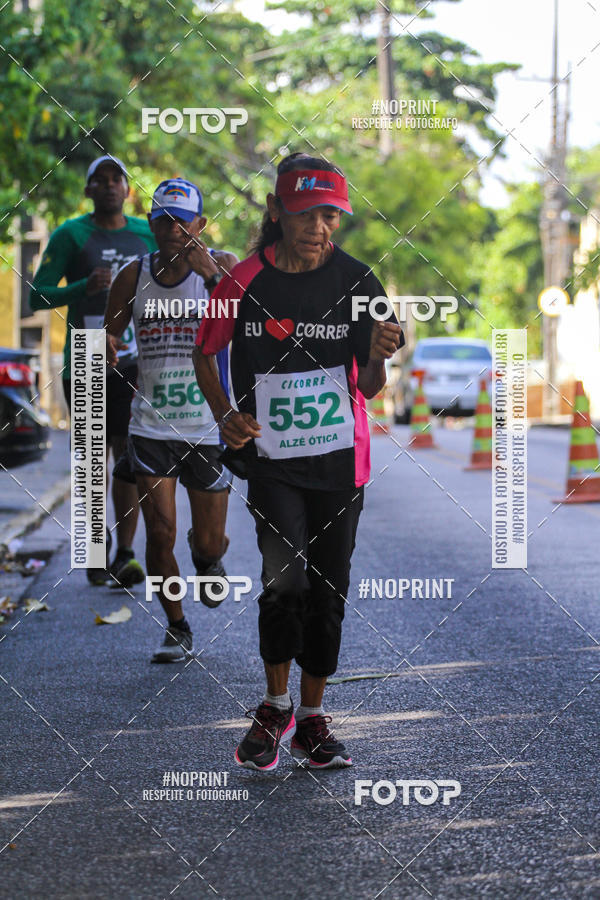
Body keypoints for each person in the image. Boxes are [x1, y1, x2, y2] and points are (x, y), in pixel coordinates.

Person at [193, 152, 404, 770]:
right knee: (285, 580)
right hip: (272, 459)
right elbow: (207, 352)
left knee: (329, 586)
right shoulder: (243, 282)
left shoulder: (359, 281)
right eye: (309, 214)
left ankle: (311, 718)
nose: (322, 228)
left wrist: (381, 353)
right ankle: (275, 702)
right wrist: (225, 413)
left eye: (331, 215)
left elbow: (368, 386)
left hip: (341, 461)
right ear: (278, 211)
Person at [105, 178, 237, 663]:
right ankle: (177, 625)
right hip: (150, 425)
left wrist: (212, 277)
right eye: (164, 218)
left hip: (206, 425)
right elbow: (109, 336)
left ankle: (208, 559)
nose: (174, 228)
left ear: (200, 224)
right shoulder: (131, 275)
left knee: (207, 540)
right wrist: (108, 350)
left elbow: (254, 321)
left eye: (184, 220)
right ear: (151, 223)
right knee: (159, 535)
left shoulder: (223, 267)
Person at [29, 155, 153, 587]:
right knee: (89, 462)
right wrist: (84, 288)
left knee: (129, 456)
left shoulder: (147, 232)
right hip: (85, 354)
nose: (108, 186)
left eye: (116, 178)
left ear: (127, 189)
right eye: (97, 180)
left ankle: (126, 554)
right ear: (88, 191)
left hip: (137, 359)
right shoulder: (71, 234)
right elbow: (36, 297)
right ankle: (93, 551)